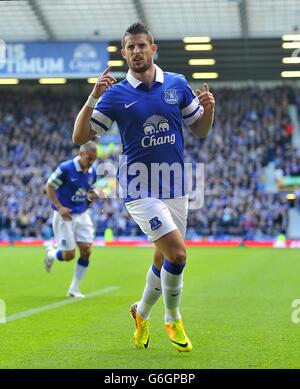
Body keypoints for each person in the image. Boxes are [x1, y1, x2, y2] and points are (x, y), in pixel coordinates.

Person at [73, 22, 215, 352]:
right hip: (139, 189)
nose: (136, 51)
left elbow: (201, 130)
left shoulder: (177, 84)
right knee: (178, 254)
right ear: (124, 54)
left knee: (163, 257)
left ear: (153, 49)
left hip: (177, 186)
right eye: (130, 47)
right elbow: (78, 138)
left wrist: (209, 110)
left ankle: (141, 311)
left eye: (142, 45)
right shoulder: (116, 94)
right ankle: (172, 316)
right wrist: (93, 96)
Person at [44, 141, 103, 298]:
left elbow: (88, 192)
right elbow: (49, 187)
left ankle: (74, 288)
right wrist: (59, 206)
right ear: (81, 154)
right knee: (68, 255)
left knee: (86, 250)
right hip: (65, 215)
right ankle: (51, 254)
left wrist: (94, 196)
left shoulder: (93, 172)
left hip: (82, 214)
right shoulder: (66, 168)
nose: (91, 162)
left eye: (94, 159)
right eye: (89, 158)